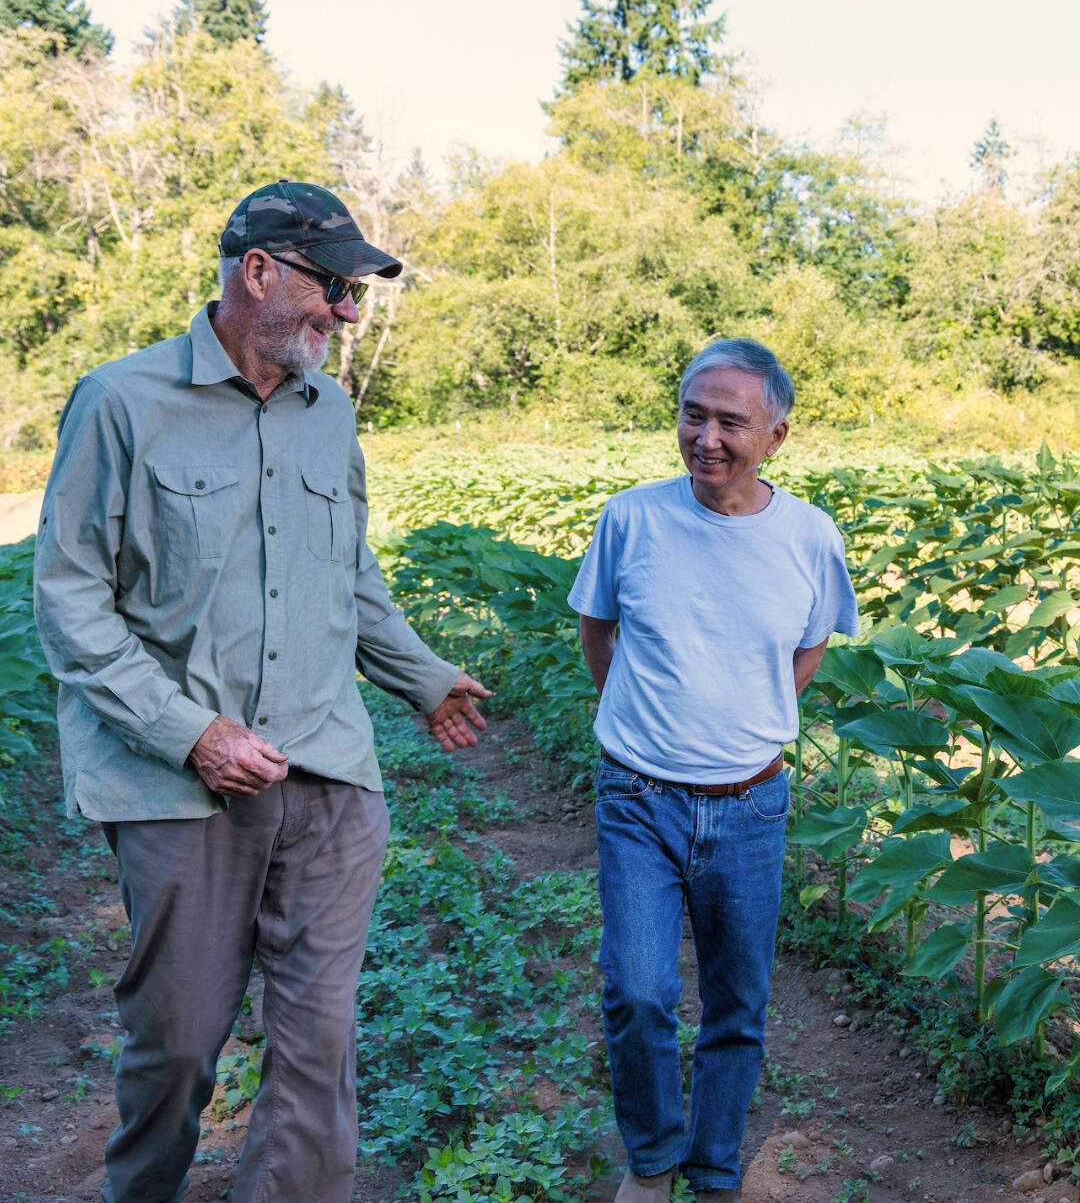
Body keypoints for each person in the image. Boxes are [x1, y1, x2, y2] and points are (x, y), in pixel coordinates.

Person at [33, 179, 491, 1203]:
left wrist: (421, 678)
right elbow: (68, 603)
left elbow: (350, 572)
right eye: (335, 285)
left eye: (354, 293)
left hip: (328, 767)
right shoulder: (123, 403)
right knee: (180, 1044)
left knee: (317, 1050)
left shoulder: (330, 411)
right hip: (179, 786)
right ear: (258, 271)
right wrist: (191, 734)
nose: (347, 310)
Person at [568, 338, 858, 1201]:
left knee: (737, 1004)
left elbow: (808, 646)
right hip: (638, 797)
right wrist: (647, 723)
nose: (707, 437)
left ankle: (715, 1167)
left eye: (732, 421)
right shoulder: (632, 517)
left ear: (777, 436)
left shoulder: (808, 537)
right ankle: (653, 1163)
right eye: (694, 414)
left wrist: (749, 715)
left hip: (749, 805)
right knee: (640, 991)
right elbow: (599, 632)